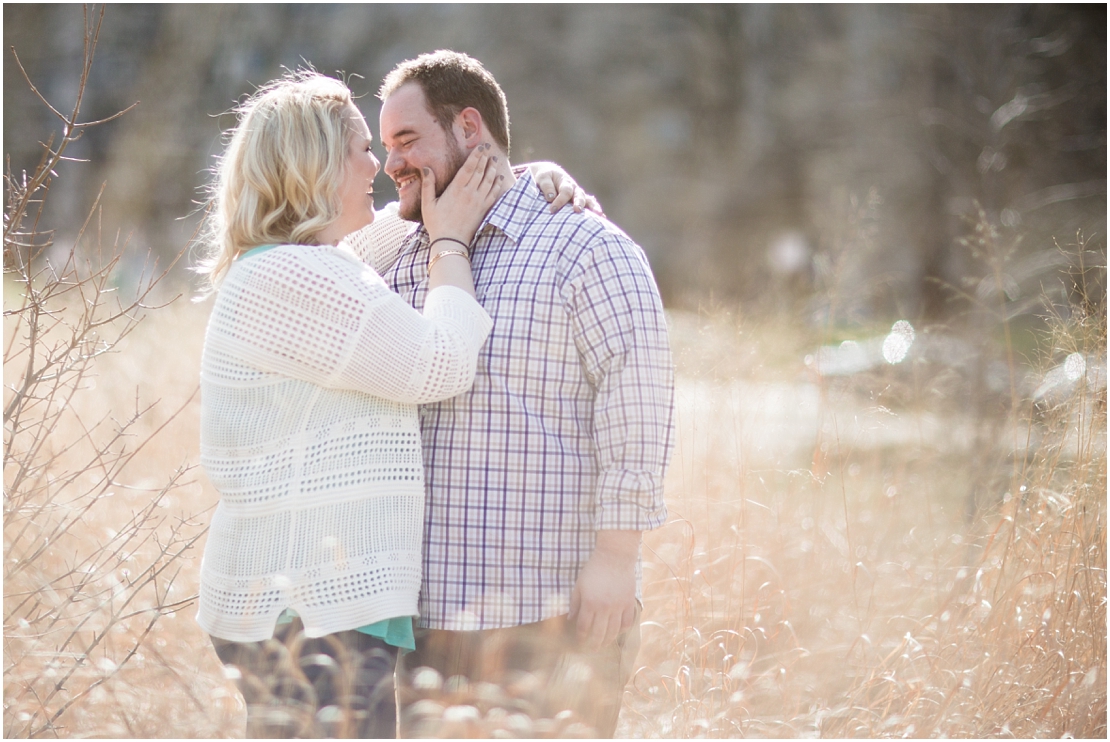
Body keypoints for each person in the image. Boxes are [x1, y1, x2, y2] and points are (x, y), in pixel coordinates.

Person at [194, 69, 594, 738]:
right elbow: (439, 365)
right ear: (314, 164)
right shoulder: (295, 277)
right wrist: (450, 246)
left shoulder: (295, 265)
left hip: (314, 610)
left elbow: (388, 230)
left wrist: (516, 177)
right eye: (359, 147)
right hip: (308, 612)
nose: (377, 163)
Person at [378, 51, 675, 737]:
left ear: (469, 127)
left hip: (552, 616)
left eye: (406, 141)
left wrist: (617, 559)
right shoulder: (397, 254)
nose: (392, 163)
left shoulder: (585, 247)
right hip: (424, 626)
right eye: (385, 145)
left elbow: (639, 405)